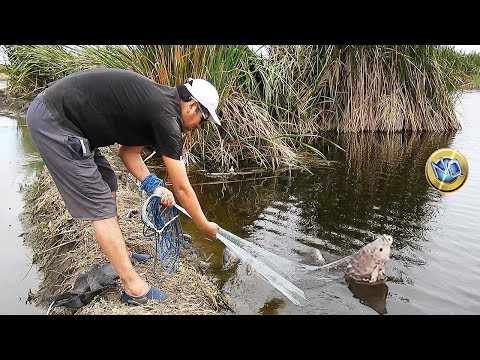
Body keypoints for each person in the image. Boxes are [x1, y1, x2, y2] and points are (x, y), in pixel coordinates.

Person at [25, 67, 220, 305]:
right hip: (55, 120)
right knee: (101, 203)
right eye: (203, 120)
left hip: (66, 120)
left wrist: (153, 185)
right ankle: (134, 289)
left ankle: (121, 255)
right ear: (192, 105)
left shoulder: (160, 104)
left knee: (108, 182)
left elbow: (128, 153)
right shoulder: (167, 117)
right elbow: (181, 188)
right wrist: (204, 225)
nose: (199, 128)